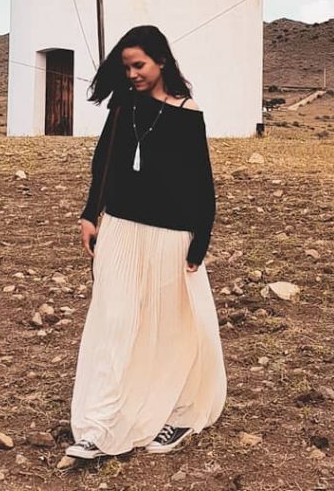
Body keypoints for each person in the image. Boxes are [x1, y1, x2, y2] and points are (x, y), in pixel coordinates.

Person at [66, 24, 226, 459]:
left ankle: (180, 413)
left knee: (170, 325)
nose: (132, 73)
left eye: (139, 65)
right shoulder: (123, 105)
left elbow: (201, 183)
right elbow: (104, 163)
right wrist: (88, 214)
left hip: (171, 234)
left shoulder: (187, 112)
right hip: (120, 228)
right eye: (126, 66)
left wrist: (200, 240)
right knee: (114, 322)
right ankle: (99, 426)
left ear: (162, 62)